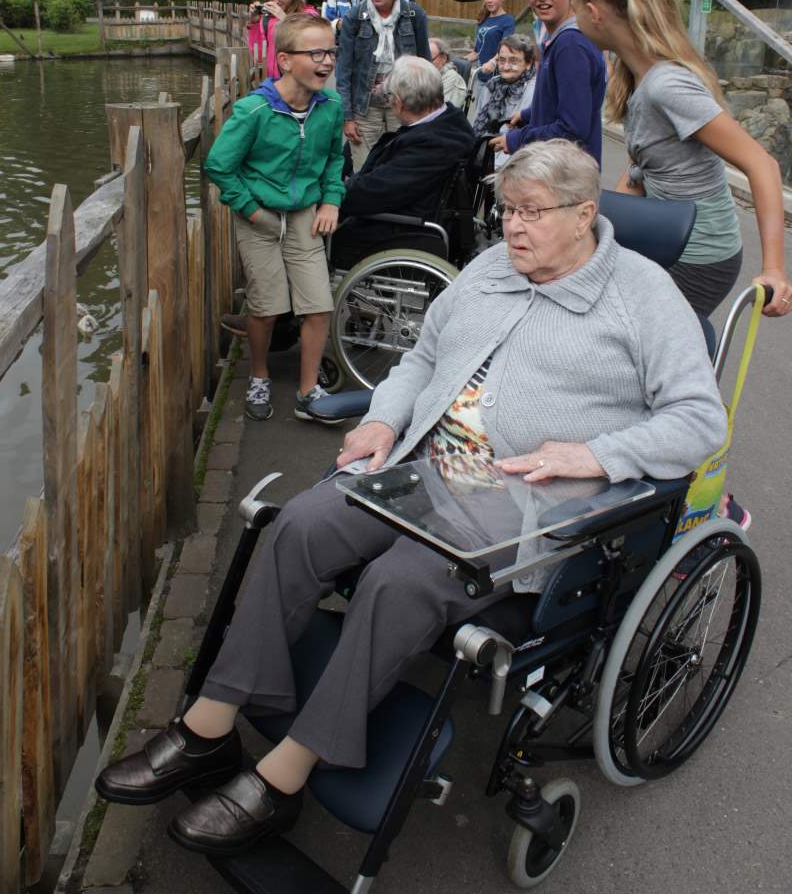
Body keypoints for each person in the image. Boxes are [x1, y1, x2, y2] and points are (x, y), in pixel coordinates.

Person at [94, 139, 726, 858]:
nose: (511, 228)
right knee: (300, 525)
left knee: (402, 581)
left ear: (585, 215)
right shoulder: (493, 267)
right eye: (507, 210)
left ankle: (287, 773)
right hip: (421, 467)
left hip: (525, 501)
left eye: (531, 214)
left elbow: (699, 421)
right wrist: (383, 419)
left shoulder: (644, 297)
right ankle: (210, 724)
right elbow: (423, 357)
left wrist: (594, 454)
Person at [570, 0, 792, 320]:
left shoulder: (666, 85)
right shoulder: (637, 76)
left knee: (642, 352)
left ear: (594, 12)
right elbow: (644, 170)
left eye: (575, 10)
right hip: (670, 233)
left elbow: (762, 165)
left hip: (698, 253)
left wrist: (773, 268)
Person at [204, 14, 344, 424]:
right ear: (284, 60)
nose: (327, 61)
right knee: (266, 306)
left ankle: (307, 391)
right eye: (316, 52)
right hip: (260, 217)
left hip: (304, 214)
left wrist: (331, 201)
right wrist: (250, 209)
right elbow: (219, 166)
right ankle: (260, 375)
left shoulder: (330, 107)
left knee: (318, 305)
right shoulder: (254, 111)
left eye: (332, 52)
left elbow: (335, 159)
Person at [333, 56, 475, 264]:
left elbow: (375, 192)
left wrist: (332, 196)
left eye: (389, 96)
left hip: (401, 230)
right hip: (409, 216)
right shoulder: (450, 123)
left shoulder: (433, 144)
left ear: (399, 102)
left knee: (318, 236)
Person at [494, 0, 606, 164]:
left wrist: (516, 139)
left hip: (565, 177)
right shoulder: (557, 38)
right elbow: (560, 101)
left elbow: (572, 129)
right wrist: (527, 115)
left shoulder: (570, 44)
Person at [336, 0, 430, 169]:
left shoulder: (415, 15)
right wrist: (347, 117)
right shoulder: (354, 18)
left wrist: (425, 112)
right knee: (365, 170)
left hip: (405, 104)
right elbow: (344, 71)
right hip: (365, 107)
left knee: (402, 166)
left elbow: (426, 66)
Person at [246, 0, 317, 79]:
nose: (275, 1)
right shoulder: (268, 19)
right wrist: (254, 23)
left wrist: (285, 19)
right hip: (275, 84)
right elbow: (259, 56)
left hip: (301, 82)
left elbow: (313, 45)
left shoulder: (309, 14)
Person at [473, 35, 537, 155]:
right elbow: (477, 121)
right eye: (502, 60)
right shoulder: (492, 85)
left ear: (528, 63)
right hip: (483, 153)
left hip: (515, 155)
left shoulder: (533, 89)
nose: (506, 67)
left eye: (513, 61)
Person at [466, 0, 516, 84]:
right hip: (480, 76)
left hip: (496, 79)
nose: (489, 0)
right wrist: (460, 61)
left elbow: (506, 49)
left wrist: (493, 62)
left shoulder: (508, 20)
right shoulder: (484, 20)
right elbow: (477, 52)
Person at [429, 36, 468, 108]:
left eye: (430, 60)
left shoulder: (452, 79)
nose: (425, 63)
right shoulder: (427, 75)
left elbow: (443, 113)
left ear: (443, 58)